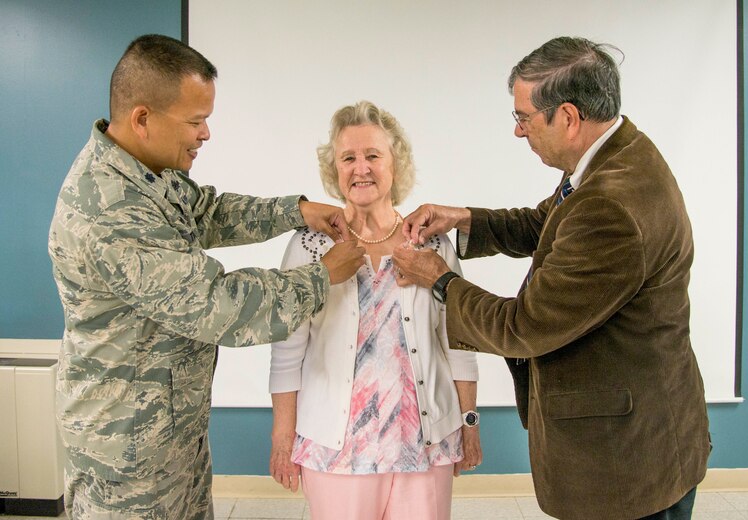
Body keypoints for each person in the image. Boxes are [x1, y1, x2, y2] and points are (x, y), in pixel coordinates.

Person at [48, 34, 365, 519]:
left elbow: (208, 212)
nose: (205, 135)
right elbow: (216, 306)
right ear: (143, 118)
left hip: (172, 434)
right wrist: (322, 276)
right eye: (195, 122)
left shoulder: (150, 171)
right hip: (127, 455)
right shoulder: (109, 209)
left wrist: (293, 210)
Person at [392, 37, 710, 520]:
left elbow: (523, 328)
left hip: (626, 463)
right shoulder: (617, 154)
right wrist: (463, 220)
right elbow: (550, 224)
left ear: (567, 116)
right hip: (652, 423)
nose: (519, 132)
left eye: (524, 118)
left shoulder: (612, 205)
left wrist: (439, 281)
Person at [268, 101, 481, 520]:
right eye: (348, 157)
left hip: (425, 442)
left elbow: (460, 343)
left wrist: (470, 424)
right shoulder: (309, 247)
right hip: (337, 447)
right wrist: (282, 434)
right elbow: (287, 351)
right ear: (335, 169)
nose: (360, 168)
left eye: (372, 156)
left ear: (395, 165)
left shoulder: (431, 244)